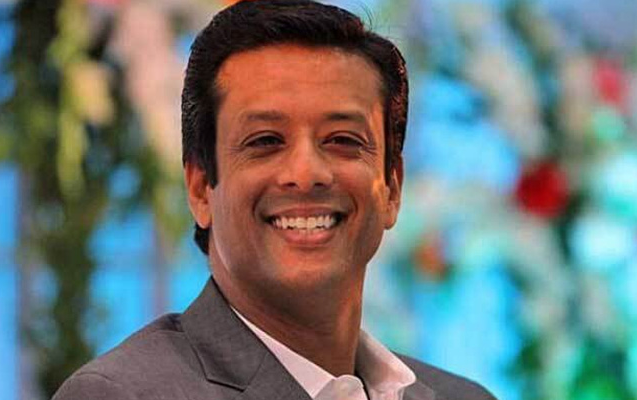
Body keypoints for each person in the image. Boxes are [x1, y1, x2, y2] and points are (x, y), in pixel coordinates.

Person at [53, 1, 497, 399]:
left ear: (392, 188)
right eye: (265, 140)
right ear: (200, 188)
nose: (306, 174)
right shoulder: (124, 393)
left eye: (342, 139)